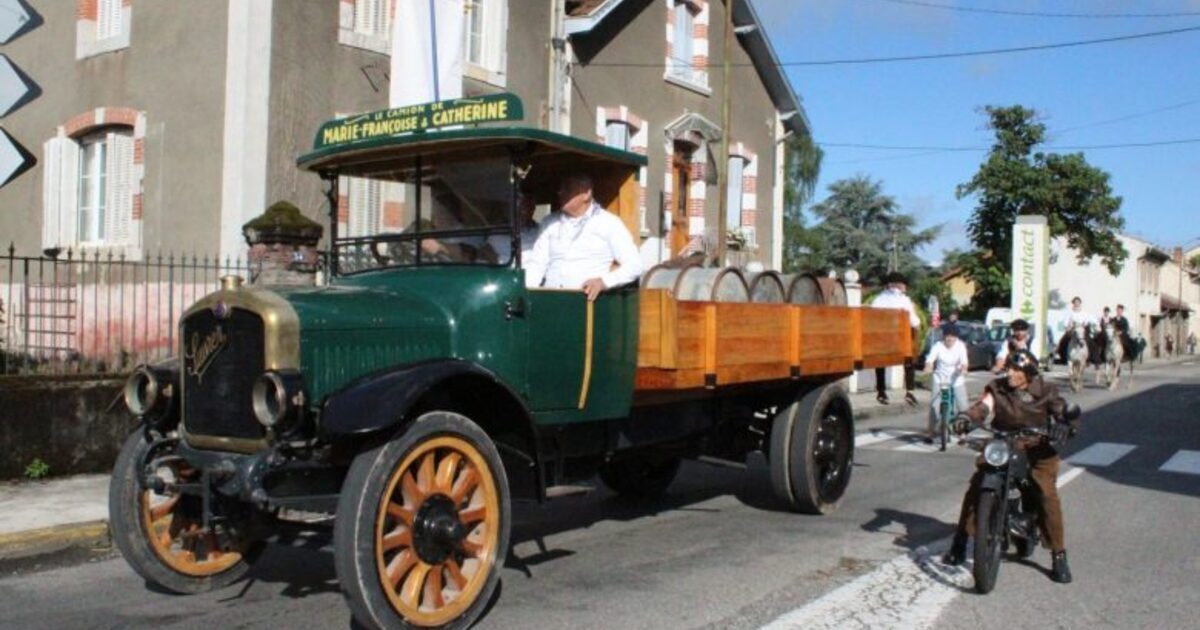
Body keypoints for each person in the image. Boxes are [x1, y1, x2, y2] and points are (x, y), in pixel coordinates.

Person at [944, 350, 1079, 584]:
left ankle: (1058, 555)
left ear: (1028, 374)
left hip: (1037, 448)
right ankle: (960, 541)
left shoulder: (1046, 391)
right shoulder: (997, 388)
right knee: (977, 485)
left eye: (1016, 370)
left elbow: (1062, 411)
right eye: (1009, 368)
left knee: (1046, 494)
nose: (1010, 373)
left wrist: (1064, 425)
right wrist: (966, 418)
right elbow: (983, 407)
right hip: (1004, 444)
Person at [524, 173, 643, 300]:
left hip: (586, 304)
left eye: (567, 188)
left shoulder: (608, 223)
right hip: (550, 302)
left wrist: (603, 282)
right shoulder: (549, 222)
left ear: (586, 194)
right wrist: (525, 293)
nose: (560, 192)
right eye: (561, 188)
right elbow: (537, 265)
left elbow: (635, 264)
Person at [871, 271, 921, 406]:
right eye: (904, 284)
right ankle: (910, 391)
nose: (905, 287)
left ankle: (881, 391)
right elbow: (914, 322)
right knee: (910, 358)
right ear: (898, 285)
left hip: (882, 341)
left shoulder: (878, 299)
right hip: (899, 342)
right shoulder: (903, 300)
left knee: (880, 362)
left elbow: (871, 317)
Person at [924, 323, 969, 443]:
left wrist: (963, 369)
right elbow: (930, 359)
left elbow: (964, 362)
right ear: (943, 336)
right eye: (947, 336)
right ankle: (930, 432)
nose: (949, 339)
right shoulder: (938, 346)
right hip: (940, 379)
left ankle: (962, 433)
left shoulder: (960, 347)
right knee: (934, 405)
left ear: (956, 337)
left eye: (952, 336)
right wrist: (928, 367)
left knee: (963, 405)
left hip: (956, 379)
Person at [1056, 296, 1095, 363]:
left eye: (1078, 302)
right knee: (1063, 340)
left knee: (1090, 341)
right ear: (1073, 303)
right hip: (1072, 330)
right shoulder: (1070, 312)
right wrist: (1068, 327)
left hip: (1082, 329)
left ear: (1080, 303)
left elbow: (1086, 320)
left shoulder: (1084, 312)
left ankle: (1090, 358)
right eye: (1075, 302)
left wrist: (1084, 325)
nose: (1076, 304)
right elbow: (1065, 322)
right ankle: (1063, 356)